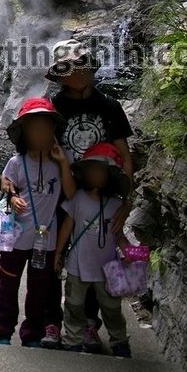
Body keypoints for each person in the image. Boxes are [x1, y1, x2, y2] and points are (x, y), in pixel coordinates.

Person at [46, 38, 134, 351]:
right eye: (69, 66)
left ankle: (90, 326)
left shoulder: (109, 106)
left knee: (98, 257)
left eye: (81, 63)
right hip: (60, 194)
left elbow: (124, 153)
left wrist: (127, 198)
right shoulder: (54, 106)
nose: (78, 70)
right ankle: (54, 322)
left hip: (102, 195)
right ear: (60, 74)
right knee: (53, 257)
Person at [0, 98, 76, 347]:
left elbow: (70, 194)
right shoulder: (17, 162)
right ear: (24, 132)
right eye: (34, 128)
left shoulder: (60, 162)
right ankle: (1, 331)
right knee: (7, 285)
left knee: (39, 291)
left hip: (45, 242)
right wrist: (13, 196)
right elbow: (6, 181)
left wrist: (63, 163)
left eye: (46, 127)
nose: (40, 133)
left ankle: (32, 334)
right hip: (16, 237)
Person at [54, 142, 131, 357]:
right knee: (74, 304)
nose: (96, 175)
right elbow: (67, 227)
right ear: (85, 173)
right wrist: (58, 253)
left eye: (101, 171)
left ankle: (119, 341)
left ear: (110, 176)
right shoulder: (77, 198)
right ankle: (72, 339)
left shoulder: (116, 205)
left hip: (107, 268)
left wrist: (130, 253)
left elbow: (120, 235)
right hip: (78, 264)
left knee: (112, 308)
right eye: (93, 170)